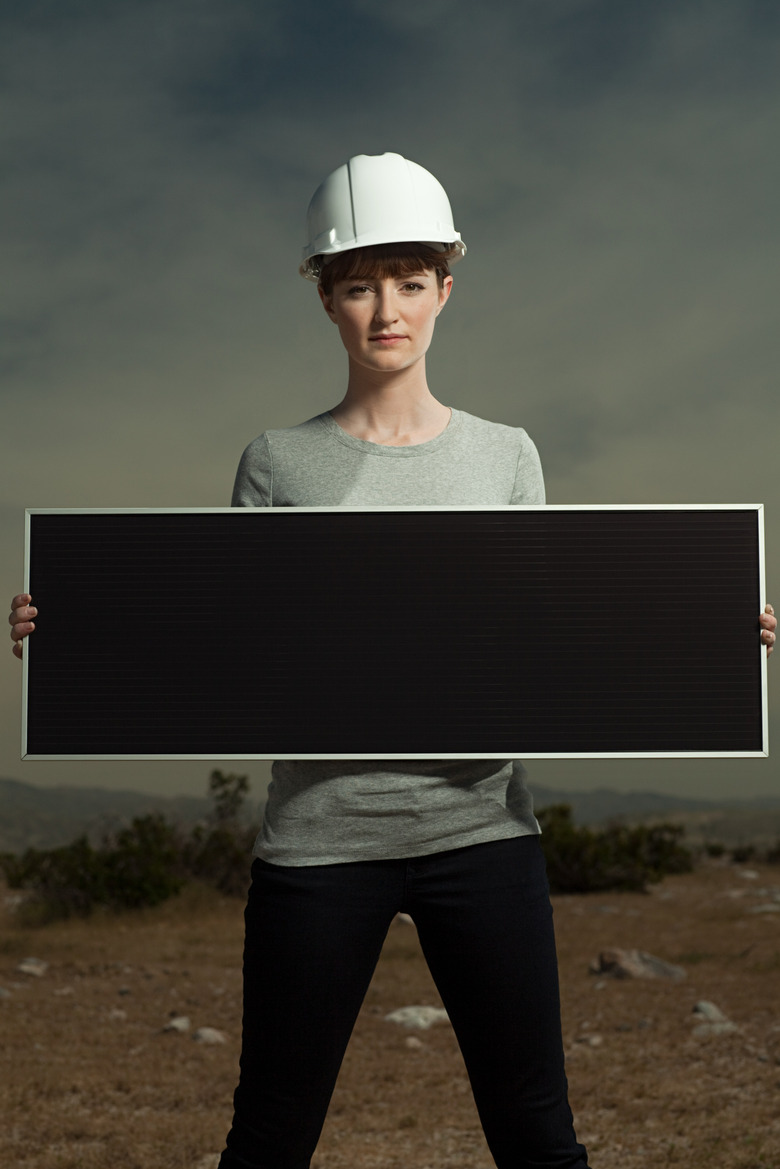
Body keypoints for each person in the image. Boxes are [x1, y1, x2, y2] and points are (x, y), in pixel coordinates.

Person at [8, 152, 778, 1169]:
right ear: (325, 297)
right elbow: (227, 640)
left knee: (540, 1138)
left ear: (445, 290)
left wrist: (707, 629)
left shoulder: (507, 454)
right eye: (361, 283)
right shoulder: (277, 461)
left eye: (411, 282)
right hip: (320, 840)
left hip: (485, 830)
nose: (387, 309)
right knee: (270, 1137)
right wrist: (83, 629)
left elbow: (551, 638)